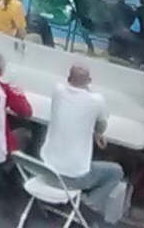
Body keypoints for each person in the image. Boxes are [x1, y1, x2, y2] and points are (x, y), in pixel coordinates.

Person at [41, 62, 126, 224]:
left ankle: (80, 205)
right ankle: (89, 206)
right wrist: (97, 133)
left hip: (46, 170)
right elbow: (101, 125)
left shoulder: (57, 91)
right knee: (116, 171)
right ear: (90, 81)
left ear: (68, 78)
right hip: (73, 177)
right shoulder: (96, 101)